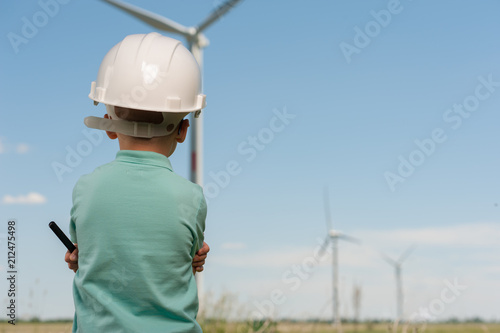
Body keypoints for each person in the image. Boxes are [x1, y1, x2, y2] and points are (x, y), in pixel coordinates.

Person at [66, 32, 209, 333]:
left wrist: (84, 258)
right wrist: (191, 257)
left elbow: (88, 252)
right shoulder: (191, 197)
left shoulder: (86, 188)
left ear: (109, 127)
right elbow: (183, 254)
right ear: (183, 129)